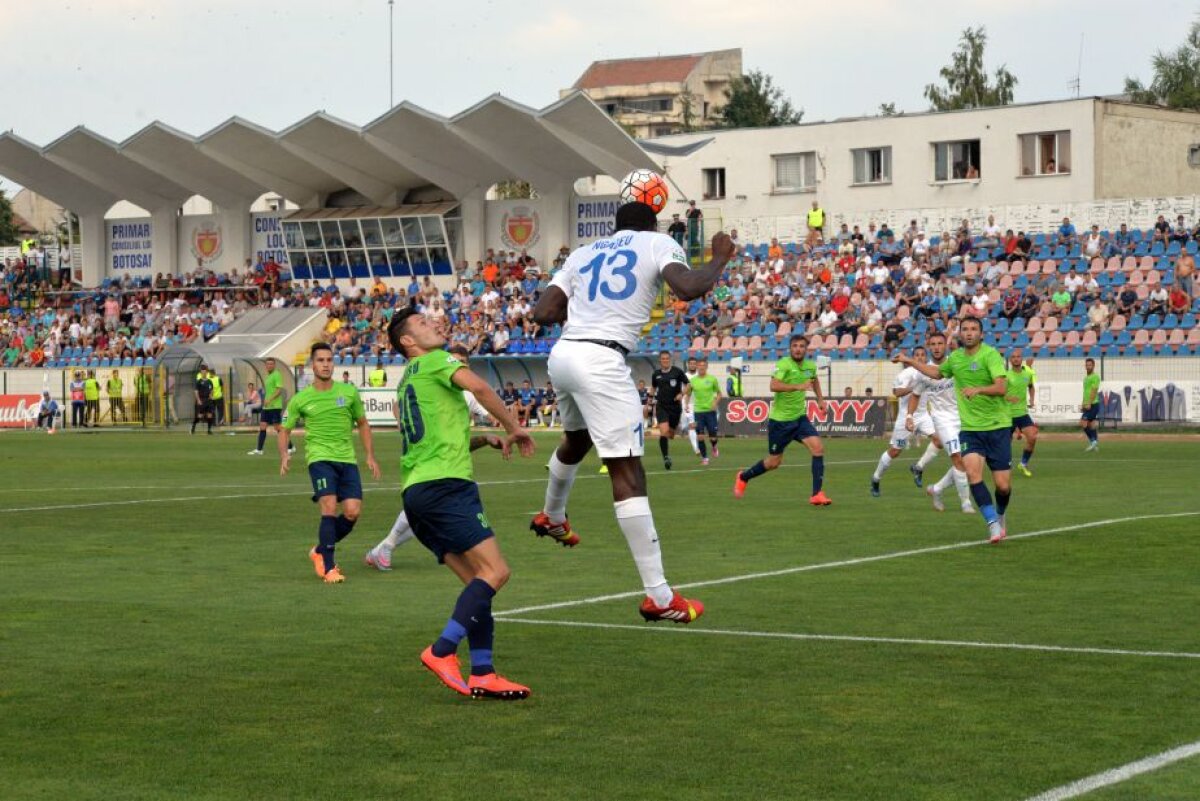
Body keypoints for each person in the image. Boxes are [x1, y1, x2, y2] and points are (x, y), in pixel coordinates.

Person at [529, 200, 735, 624]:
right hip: (602, 359)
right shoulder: (657, 243)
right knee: (627, 471)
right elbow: (689, 288)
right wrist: (718, 259)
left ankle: (552, 516)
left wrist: (587, 308)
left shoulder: (583, 253)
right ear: (652, 223)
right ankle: (659, 597)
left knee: (577, 439)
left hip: (564, 354)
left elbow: (543, 312)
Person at [385, 306, 535, 699]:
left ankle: (483, 672)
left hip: (417, 493)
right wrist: (513, 427)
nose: (432, 323)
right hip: (447, 488)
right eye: (422, 323)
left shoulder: (407, 380)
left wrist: (484, 439)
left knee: (477, 583)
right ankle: (442, 651)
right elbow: (481, 388)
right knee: (496, 572)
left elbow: (432, 438)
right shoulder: (436, 360)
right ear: (408, 341)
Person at [365, 344, 502, 573]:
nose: (457, 367)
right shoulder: (432, 384)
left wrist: (489, 435)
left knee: (423, 513)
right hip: (431, 464)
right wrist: (404, 425)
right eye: (454, 361)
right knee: (427, 509)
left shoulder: (466, 396)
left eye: (462, 363)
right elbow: (398, 405)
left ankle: (383, 548)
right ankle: (385, 548)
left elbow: (487, 419)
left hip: (450, 465)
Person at [894, 318, 1011, 543]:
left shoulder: (990, 355)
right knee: (972, 472)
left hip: (997, 426)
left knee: (1003, 487)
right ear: (959, 334)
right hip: (968, 428)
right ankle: (991, 523)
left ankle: (1000, 514)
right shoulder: (955, 359)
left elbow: (1001, 387)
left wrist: (979, 389)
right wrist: (909, 360)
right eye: (965, 329)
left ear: (981, 333)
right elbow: (936, 374)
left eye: (973, 329)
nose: (969, 333)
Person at [278, 343, 381, 585]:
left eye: (329, 360)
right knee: (329, 505)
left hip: (347, 459)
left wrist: (370, 455)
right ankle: (329, 568)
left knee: (353, 512)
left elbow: (363, 423)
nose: (325, 364)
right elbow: (284, 430)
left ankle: (320, 550)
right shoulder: (301, 399)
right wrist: (284, 454)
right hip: (320, 459)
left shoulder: (348, 392)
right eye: (320, 360)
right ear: (312, 365)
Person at [732, 334, 832, 506]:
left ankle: (816, 494)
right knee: (773, 462)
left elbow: (814, 381)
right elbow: (774, 385)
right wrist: (797, 386)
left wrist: (820, 400)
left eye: (801, 346)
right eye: (795, 346)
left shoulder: (810, 366)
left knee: (818, 448)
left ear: (806, 349)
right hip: (780, 422)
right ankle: (743, 477)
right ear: (790, 348)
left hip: (800, 418)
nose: (798, 349)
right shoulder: (784, 364)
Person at [870, 346, 942, 498]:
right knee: (895, 451)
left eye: (923, 355)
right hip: (905, 416)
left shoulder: (930, 370)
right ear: (913, 358)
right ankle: (876, 478)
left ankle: (918, 467)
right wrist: (912, 388)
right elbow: (896, 392)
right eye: (917, 355)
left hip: (923, 415)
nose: (920, 357)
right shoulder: (907, 373)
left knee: (939, 440)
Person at [650, 351, 689, 470]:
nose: (665, 360)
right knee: (663, 432)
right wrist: (649, 403)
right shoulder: (656, 374)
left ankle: (672, 432)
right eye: (663, 359)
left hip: (675, 408)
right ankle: (666, 457)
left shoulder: (677, 372)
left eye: (667, 358)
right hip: (661, 406)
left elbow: (688, 385)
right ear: (660, 360)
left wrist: (681, 394)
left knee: (671, 434)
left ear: (670, 360)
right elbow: (653, 388)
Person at [249, 357, 292, 455]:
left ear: (274, 365)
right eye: (268, 364)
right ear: (266, 366)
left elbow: (279, 390)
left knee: (278, 428)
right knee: (263, 426)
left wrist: (269, 399)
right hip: (266, 406)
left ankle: (290, 446)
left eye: (271, 364)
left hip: (275, 406)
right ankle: (259, 450)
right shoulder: (268, 376)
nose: (269, 366)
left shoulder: (277, 375)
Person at [684, 358, 722, 465]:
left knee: (712, 435)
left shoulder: (712, 379)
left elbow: (719, 394)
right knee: (700, 435)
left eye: (703, 365)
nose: (701, 367)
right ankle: (705, 458)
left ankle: (714, 446)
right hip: (698, 412)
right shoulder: (693, 381)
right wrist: (686, 404)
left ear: (706, 367)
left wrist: (715, 403)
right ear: (697, 367)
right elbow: (688, 394)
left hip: (710, 412)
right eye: (699, 365)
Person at [1007, 350, 1038, 477]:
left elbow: (1030, 386)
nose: (1016, 359)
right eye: (1013, 357)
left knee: (1032, 437)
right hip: (1008, 415)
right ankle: (1006, 465)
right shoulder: (1006, 375)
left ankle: (1023, 463)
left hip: (1022, 413)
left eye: (1018, 356)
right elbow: (999, 393)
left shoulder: (1028, 373)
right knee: (1005, 444)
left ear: (1021, 359)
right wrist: (1009, 398)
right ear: (1010, 360)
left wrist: (1032, 399)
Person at [1080, 357, 1101, 452]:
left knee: (1083, 422)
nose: (1088, 367)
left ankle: (1093, 441)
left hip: (1093, 404)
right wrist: (1083, 404)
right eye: (1087, 365)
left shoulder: (1095, 377)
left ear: (1093, 366)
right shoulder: (1085, 378)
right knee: (1091, 425)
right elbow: (1085, 392)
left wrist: (1089, 403)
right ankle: (1094, 445)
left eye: (1090, 365)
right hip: (1087, 404)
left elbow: (1094, 390)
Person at [192, 365, 215, 435]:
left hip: (208, 401)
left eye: (205, 372)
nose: (204, 373)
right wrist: (198, 400)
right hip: (202, 400)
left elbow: (211, 390)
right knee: (200, 416)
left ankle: (209, 430)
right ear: (201, 373)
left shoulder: (209, 381)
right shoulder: (199, 382)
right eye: (202, 372)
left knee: (210, 415)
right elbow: (196, 391)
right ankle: (193, 427)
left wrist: (211, 395)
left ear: (206, 372)